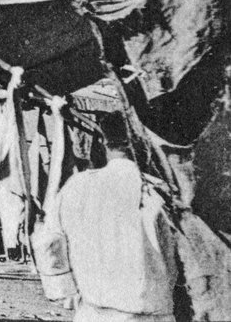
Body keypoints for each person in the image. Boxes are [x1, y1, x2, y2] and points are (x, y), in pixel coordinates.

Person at [44, 113, 179, 322]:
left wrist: (64, 290)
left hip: (94, 311)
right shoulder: (160, 194)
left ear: (103, 142)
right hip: (152, 313)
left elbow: (49, 241)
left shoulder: (76, 187)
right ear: (145, 143)